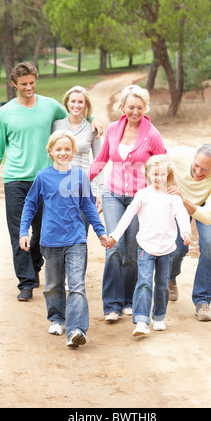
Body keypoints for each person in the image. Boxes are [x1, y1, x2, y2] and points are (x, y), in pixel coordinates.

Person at [0, 62, 103, 302]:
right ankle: (26, 283)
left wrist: (95, 118)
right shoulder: (5, 112)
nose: (29, 87)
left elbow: (74, 115)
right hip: (15, 180)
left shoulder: (49, 106)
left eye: (32, 83)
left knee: (41, 233)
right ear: (13, 84)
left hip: (47, 180)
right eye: (23, 84)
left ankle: (35, 263)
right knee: (19, 231)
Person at [19, 131, 109, 348]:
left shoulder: (80, 176)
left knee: (76, 284)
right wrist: (24, 231)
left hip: (76, 238)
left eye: (67, 149)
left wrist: (100, 231)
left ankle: (76, 329)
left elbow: (87, 204)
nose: (63, 153)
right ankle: (57, 319)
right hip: (50, 240)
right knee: (53, 285)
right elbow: (30, 204)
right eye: (58, 149)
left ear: (73, 151)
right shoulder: (43, 176)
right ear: (50, 152)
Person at [88, 85, 166, 322]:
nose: (135, 111)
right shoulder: (113, 129)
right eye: (131, 107)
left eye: (140, 108)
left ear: (145, 109)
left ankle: (129, 301)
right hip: (113, 195)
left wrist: (164, 194)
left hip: (139, 198)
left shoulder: (151, 134)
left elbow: (162, 164)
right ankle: (111, 305)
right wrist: (80, 181)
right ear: (122, 107)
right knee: (114, 248)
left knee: (132, 253)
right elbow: (101, 160)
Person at [108, 154, 191, 336]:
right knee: (144, 282)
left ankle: (159, 317)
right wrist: (114, 236)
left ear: (168, 175)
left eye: (162, 174)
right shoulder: (142, 195)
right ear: (148, 174)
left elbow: (183, 215)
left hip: (167, 248)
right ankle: (141, 321)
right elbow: (127, 216)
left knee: (161, 284)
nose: (158, 178)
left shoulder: (172, 197)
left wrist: (186, 231)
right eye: (155, 174)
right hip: (146, 246)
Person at [167, 143, 211, 321]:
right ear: (193, 157)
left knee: (209, 245)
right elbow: (155, 153)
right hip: (179, 201)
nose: (197, 172)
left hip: (202, 206)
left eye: (204, 169)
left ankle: (203, 301)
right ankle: (171, 278)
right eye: (196, 165)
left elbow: (209, 216)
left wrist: (184, 200)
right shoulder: (178, 155)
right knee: (178, 248)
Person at [52, 85, 104, 230]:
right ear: (67, 103)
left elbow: (99, 161)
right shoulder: (56, 125)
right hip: (60, 186)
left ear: (85, 104)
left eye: (80, 102)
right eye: (73, 101)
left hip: (86, 187)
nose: (76, 105)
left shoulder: (92, 128)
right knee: (61, 231)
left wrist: (101, 192)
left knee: (81, 232)